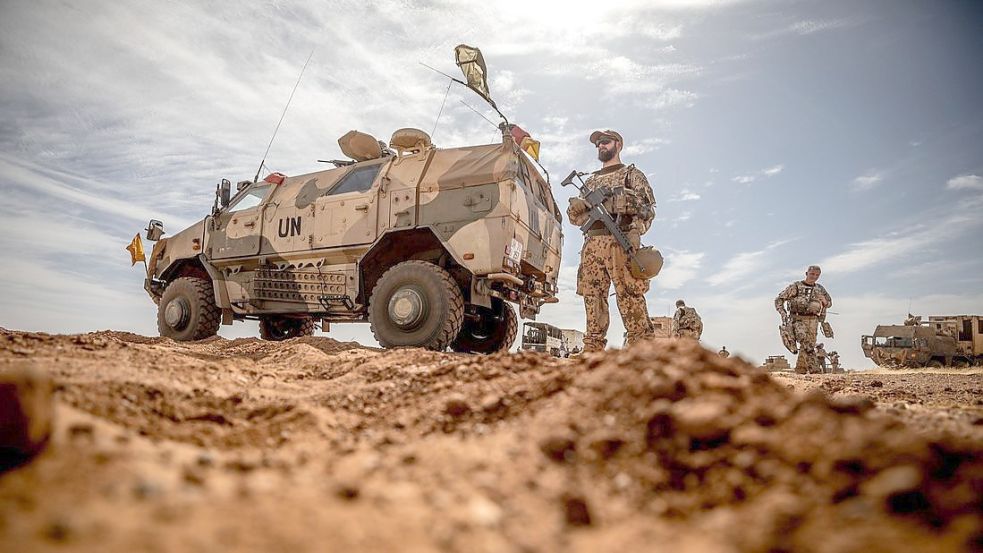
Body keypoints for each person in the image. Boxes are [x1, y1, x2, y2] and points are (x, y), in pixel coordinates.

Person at [567, 129, 656, 352]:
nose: (600, 146)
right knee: (592, 297)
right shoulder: (590, 181)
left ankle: (641, 349)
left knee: (629, 294)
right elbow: (574, 218)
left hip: (621, 240)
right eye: (597, 144)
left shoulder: (631, 175)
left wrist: (636, 230)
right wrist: (577, 208)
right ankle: (593, 349)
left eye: (605, 142)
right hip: (592, 244)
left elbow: (647, 209)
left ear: (618, 144)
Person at [775, 265, 833, 374]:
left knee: (808, 345)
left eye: (817, 275)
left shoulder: (820, 288)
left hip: (813, 320)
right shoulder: (796, 286)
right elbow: (779, 300)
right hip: (797, 319)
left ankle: (800, 370)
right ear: (806, 274)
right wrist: (783, 314)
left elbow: (829, 303)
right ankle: (815, 370)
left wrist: (825, 301)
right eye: (812, 274)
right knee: (806, 343)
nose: (814, 277)